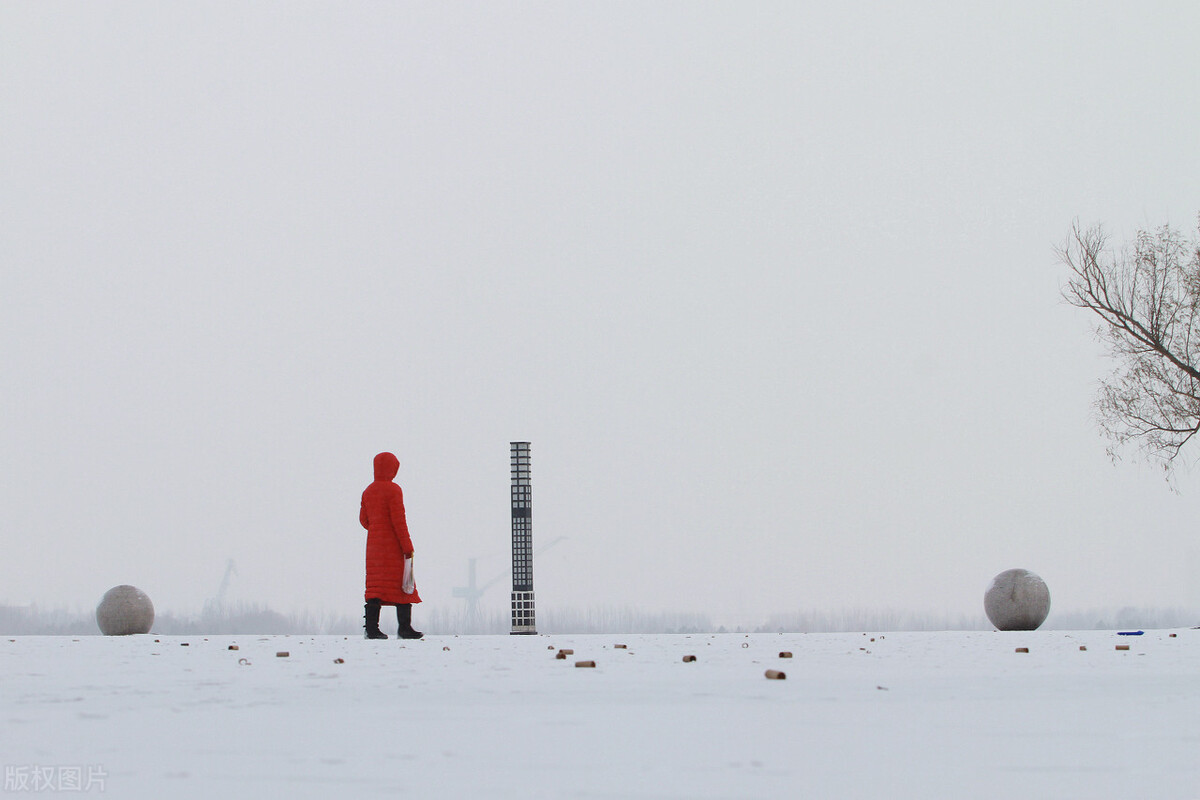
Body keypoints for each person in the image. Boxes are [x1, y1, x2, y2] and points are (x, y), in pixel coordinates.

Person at [359, 451, 423, 639]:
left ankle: (371, 629)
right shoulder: (394, 490)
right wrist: (407, 546)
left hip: (373, 548)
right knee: (402, 585)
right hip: (393, 546)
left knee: (375, 587)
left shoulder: (368, 491)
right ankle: (404, 628)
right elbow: (398, 521)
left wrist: (377, 528)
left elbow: (364, 520)